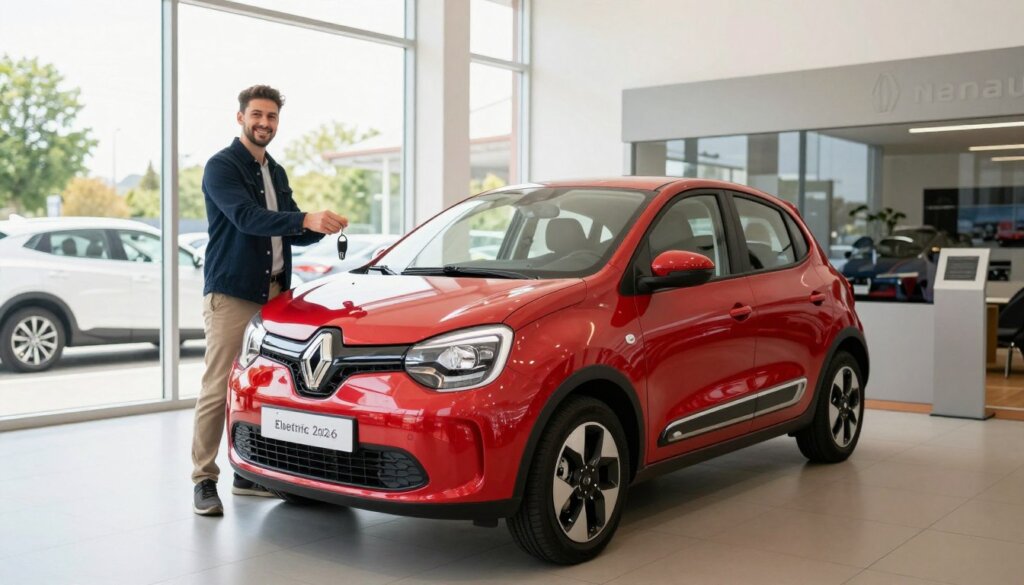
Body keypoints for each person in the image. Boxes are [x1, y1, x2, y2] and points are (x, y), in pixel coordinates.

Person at [191, 84, 348, 516]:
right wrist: (303, 217)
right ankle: (204, 479)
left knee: (264, 388)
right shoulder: (221, 167)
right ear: (240, 117)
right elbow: (247, 218)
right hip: (233, 294)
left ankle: (250, 472)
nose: (264, 123)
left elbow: (290, 228)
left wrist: (320, 225)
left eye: (272, 117)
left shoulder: (274, 171)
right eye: (257, 115)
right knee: (218, 386)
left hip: (277, 295)